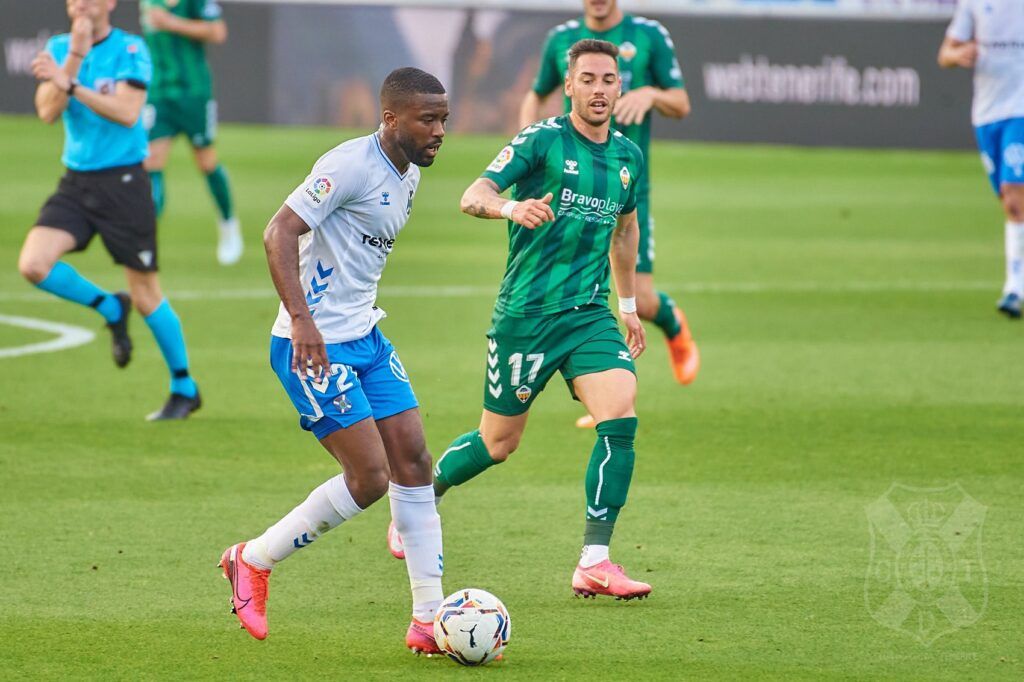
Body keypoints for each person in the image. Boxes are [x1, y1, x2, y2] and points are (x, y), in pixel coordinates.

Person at [391, 39, 652, 600]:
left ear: (619, 86)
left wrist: (627, 307)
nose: (599, 89)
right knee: (498, 442)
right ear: (569, 84)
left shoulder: (629, 157)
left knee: (621, 414)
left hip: (587, 313)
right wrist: (511, 207)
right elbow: (473, 194)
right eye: (588, 79)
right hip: (526, 317)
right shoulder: (542, 141)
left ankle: (595, 560)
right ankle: (421, 496)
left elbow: (625, 231)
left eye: (608, 80)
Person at [219, 68, 450, 651]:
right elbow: (279, 233)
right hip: (311, 346)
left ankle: (428, 618)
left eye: (444, 118)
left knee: (416, 462)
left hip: (366, 338)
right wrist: (302, 320)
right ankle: (252, 559)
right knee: (370, 478)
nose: (440, 131)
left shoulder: (408, 175)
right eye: (428, 119)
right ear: (391, 118)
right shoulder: (348, 165)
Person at [19, 0, 201, 421]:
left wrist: (69, 82)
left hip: (124, 184)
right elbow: (47, 111)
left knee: (146, 294)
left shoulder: (131, 49)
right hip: (76, 182)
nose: (79, 5)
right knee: (33, 263)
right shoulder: (63, 46)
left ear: (109, 4)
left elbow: (126, 112)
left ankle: (184, 387)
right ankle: (107, 307)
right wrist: (76, 57)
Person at [521, 0, 697, 429]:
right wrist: (525, 147)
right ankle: (603, 396)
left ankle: (672, 323)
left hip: (626, 190)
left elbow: (681, 102)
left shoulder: (649, 35)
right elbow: (536, 95)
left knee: (642, 296)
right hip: (570, 189)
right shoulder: (562, 39)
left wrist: (650, 94)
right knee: (578, 285)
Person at [139, 0, 242, 265]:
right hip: (160, 92)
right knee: (151, 161)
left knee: (206, 161)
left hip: (194, 92)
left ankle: (228, 224)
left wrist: (171, 23)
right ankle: (145, 239)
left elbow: (218, 32)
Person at [940, 0, 1024, 318]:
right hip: (987, 114)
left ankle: (1014, 287)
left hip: (1021, 110)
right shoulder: (973, 3)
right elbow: (945, 54)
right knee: (1007, 197)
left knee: (1014, 197)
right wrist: (958, 55)